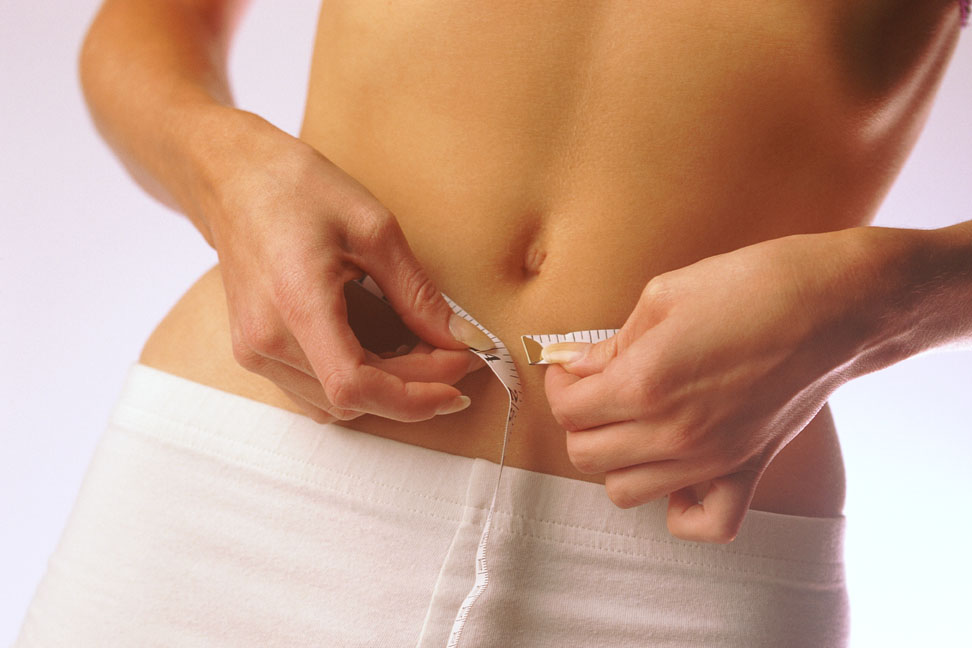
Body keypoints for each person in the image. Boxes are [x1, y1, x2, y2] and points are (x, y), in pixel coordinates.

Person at [14, 0, 970, 646]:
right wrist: (224, 169)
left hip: (687, 563)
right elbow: (142, 28)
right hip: (234, 487)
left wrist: (896, 292)